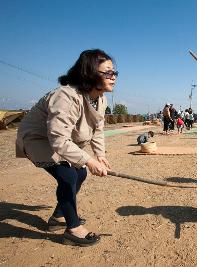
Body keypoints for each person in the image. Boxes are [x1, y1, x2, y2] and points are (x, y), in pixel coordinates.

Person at [15, 49, 116, 246]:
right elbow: (58, 139)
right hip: (37, 138)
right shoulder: (66, 96)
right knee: (68, 175)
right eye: (108, 73)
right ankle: (73, 229)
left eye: (114, 73)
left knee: (81, 173)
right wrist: (88, 160)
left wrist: (99, 155)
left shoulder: (100, 99)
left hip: (58, 140)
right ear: (90, 73)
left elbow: (98, 129)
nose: (113, 77)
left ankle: (58, 217)